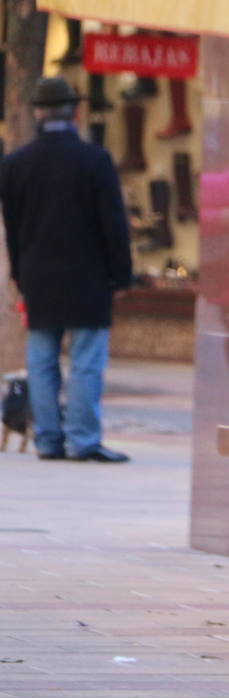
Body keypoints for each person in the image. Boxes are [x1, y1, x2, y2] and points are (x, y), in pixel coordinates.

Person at [0, 77, 132, 462]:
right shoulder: (95, 161)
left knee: (40, 361)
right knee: (87, 359)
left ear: (38, 113)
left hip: (38, 276)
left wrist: (20, 276)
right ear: (75, 112)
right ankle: (83, 440)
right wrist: (121, 275)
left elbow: (15, 228)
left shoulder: (14, 165)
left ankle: (48, 440)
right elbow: (114, 226)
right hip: (88, 276)